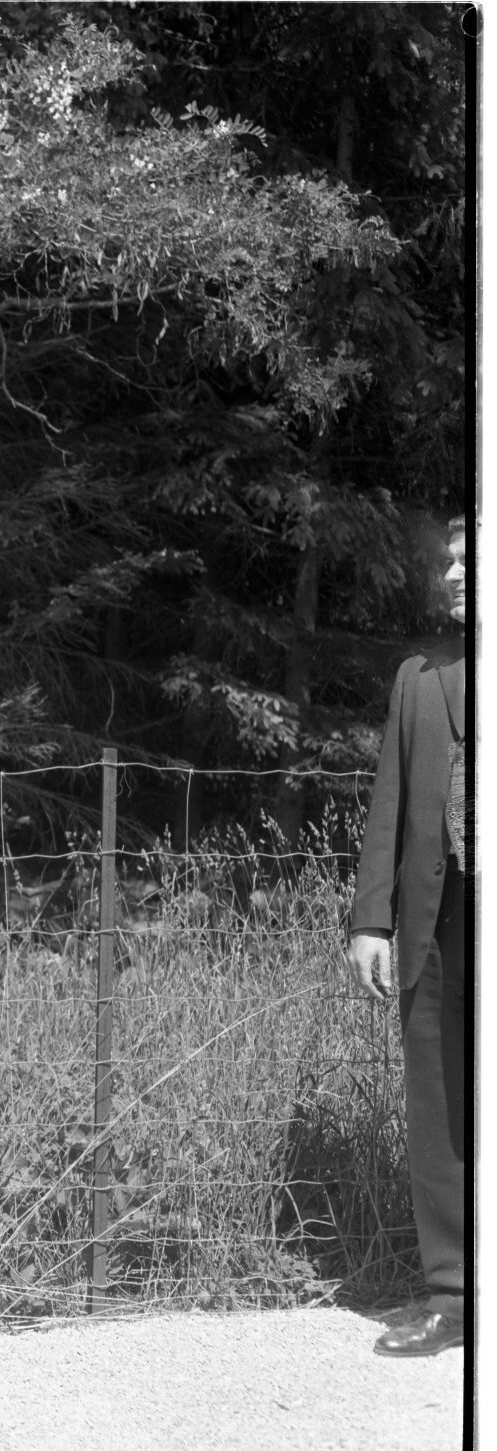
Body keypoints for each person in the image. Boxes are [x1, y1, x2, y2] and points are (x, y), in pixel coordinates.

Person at [346, 515, 469, 1357]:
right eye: (450, 560)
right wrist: (370, 920)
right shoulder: (418, 680)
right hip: (437, 925)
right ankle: (453, 1297)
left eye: (474, 557)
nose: (454, 573)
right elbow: (388, 804)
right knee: (438, 1109)